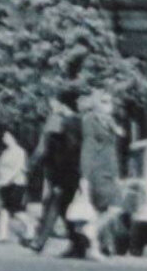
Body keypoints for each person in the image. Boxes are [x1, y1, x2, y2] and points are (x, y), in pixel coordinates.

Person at [31, 89, 85, 257]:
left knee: (55, 205)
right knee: (63, 208)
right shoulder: (79, 122)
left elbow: (60, 151)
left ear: (63, 105)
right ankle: (78, 244)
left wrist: (52, 171)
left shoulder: (63, 123)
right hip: (73, 171)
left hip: (63, 171)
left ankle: (40, 242)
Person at [80, 91, 133, 259]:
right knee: (116, 206)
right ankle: (92, 229)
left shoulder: (109, 121)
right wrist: (84, 176)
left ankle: (93, 249)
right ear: (95, 103)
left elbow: (113, 150)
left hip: (110, 170)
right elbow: (88, 148)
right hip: (98, 171)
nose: (108, 105)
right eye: (103, 101)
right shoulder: (91, 121)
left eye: (109, 101)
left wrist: (116, 175)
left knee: (100, 210)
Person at [0, 124, 30, 243]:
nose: (5, 138)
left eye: (7, 136)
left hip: (16, 184)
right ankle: (2, 234)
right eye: (4, 136)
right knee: (4, 209)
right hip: (4, 183)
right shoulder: (6, 151)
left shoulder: (20, 151)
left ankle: (31, 226)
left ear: (14, 137)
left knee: (15, 210)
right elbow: (0, 166)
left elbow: (18, 168)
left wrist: (7, 180)